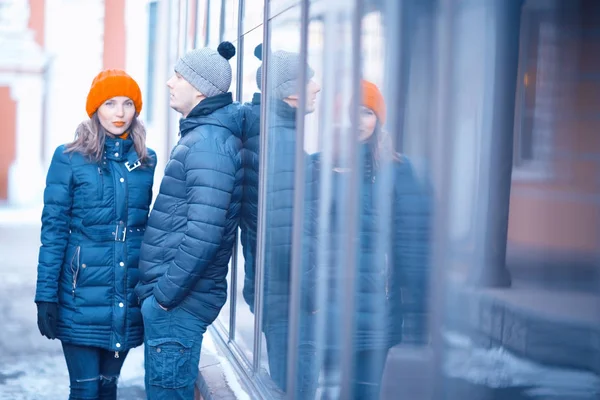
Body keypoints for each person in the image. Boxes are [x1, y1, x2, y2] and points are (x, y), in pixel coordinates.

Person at [35, 69, 156, 400]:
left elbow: (144, 229)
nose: (120, 113)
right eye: (110, 103)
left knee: (107, 388)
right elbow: (54, 230)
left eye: (128, 103)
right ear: (95, 109)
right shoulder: (69, 158)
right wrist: (46, 294)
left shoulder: (145, 161)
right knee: (86, 391)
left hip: (126, 296)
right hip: (79, 296)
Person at [308, 80, 431, 399]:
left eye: (366, 112)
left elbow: (411, 242)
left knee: (364, 393)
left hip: (375, 310)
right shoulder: (318, 166)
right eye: (351, 113)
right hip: (325, 309)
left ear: (378, 119)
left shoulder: (398, 170)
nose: (359, 121)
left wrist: (420, 304)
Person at [135, 41, 243, 400]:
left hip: (177, 306)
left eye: (178, 76)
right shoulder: (202, 136)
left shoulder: (208, 143)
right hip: (175, 304)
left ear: (199, 88)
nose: (169, 82)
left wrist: (163, 297)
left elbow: (203, 236)